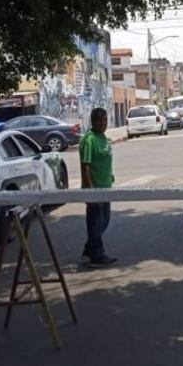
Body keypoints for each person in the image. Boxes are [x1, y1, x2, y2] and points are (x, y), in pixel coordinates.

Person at [80, 107, 117, 266]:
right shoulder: (90, 140)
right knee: (96, 222)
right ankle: (97, 254)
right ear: (93, 122)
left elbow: (105, 160)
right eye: (99, 121)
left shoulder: (103, 138)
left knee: (104, 221)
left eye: (105, 120)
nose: (102, 124)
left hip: (105, 186)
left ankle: (90, 248)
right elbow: (86, 165)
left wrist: (110, 175)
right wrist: (89, 189)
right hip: (95, 188)